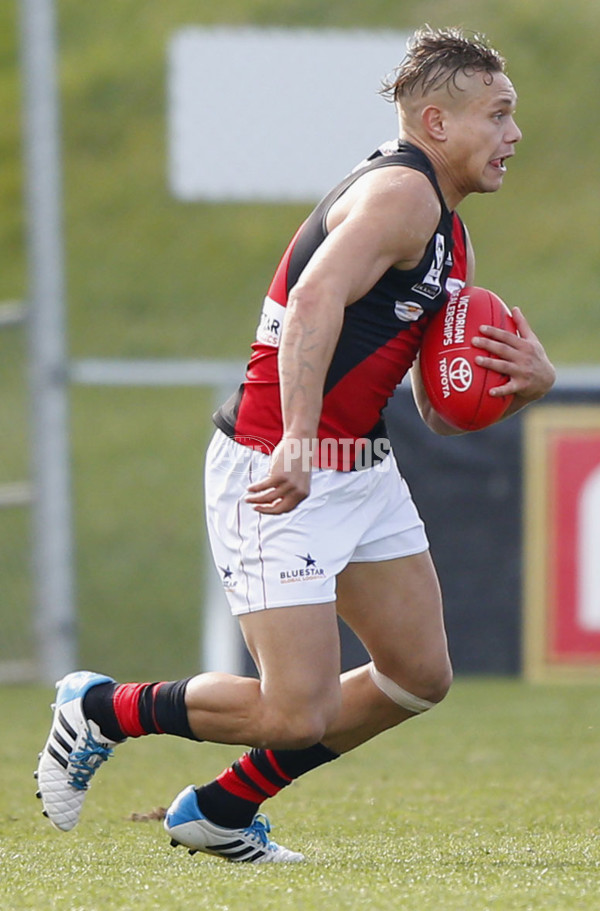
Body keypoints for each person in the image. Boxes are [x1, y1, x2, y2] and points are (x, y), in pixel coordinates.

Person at [35, 25, 556, 863]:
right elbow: (313, 301)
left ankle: (220, 811)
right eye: (498, 115)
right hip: (278, 465)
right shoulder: (403, 196)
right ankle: (101, 706)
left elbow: (434, 406)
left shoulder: (449, 232)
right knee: (293, 711)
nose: (514, 134)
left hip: (359, 471)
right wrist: (301, 439)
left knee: (417, 676)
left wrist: (524, 384)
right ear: (436, 122)